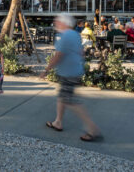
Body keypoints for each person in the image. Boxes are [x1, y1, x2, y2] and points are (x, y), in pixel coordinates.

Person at [41, 13, 102, 142]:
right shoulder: (75, 34)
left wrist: (46, 70)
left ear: (64, 23)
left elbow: (58, 56)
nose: (56, 24)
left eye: (57, 21)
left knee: (71, 101)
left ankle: (92, 129)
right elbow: (81, 52)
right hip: (74, 71)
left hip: (68, 73)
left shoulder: (64, 36)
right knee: (62, 96)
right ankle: (58, 121)